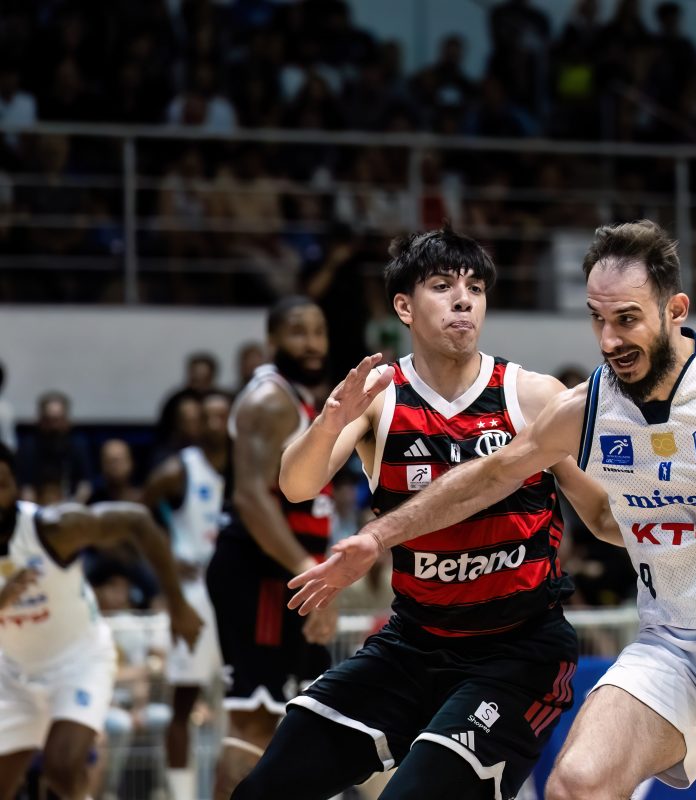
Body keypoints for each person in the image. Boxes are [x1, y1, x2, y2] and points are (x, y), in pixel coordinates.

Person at [289, 220, 696, 800]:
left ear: (675, 310)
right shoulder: (588, 408)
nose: (609, 341)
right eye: (597, 319)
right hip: (674, 633)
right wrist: (378, 537)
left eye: (627, 319)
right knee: (576, 784)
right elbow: (492, 476)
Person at [233, 225, 618, 800]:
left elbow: (604, 517)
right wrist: (330, 422)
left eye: (475, 289)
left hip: (517, 652)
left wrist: (686, 527)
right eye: (442, 286)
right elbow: (295, 484)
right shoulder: (382, 396)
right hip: (412, 644)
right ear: (404, 307)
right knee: (265, 789)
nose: (464, 300)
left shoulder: (533, 395)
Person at [0, 442, 201, 800]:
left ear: (16, 485)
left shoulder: (52, 528)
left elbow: (136, 521)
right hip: (12, 672)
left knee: (62, 769)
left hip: (77, 661)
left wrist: (178, 603)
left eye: (1, 484)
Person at [205, 297, 338, 799]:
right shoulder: (271, 400)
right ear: (273, 341)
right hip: (260, 573)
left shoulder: (298, 398)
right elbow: (250, 500)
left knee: (300, 722)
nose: (312, 343)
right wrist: (309, 570)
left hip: (284, 576)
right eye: (299, 332)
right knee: (253, 726)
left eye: (319, 331)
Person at [142, 391, 231, 800]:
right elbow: (139, 514)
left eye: (220, 415)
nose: (212, 423)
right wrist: (166, 557)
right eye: (205, 416)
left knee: (242, 703)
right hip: (194, 595)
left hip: (236, 594)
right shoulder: (180, 470)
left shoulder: (248, 465)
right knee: (184, 701)